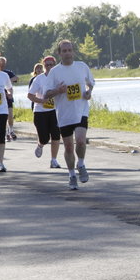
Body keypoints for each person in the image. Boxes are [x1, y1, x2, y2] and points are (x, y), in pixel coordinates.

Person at [44, 40, 94, 190]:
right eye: (64, 51)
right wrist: (58, 91)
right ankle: (72, 175)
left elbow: (90, 83)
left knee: (80, 141)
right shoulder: (55, 72)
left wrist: (88, 92)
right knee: (68, 147)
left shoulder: (82, 66)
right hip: (64, 114)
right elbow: (46, 94)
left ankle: (81, 164)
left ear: (73, 52)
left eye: (69, 50)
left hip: (81, 110)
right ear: (59, 53)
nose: (67, 53)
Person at [27, 57, 61, 169]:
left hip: (54, 111)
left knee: (56, 136)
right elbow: (30, 95)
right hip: (40, 111)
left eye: (52, 65)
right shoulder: (38, 79)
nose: (50, 67)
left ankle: (54, 160)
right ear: (44, 66)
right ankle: (40, 144)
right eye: (47, 65)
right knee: (44, 138)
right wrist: (41, 100)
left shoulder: (58, 78)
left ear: (55, 65)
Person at [0, 56, 19, 141]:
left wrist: (7, 81)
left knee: (10, 115)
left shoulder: (7, 73)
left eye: (4, 63)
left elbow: (16, 78)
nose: (2, 64)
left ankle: (11, 131)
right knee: (2, 117)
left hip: (8, 97)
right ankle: (5, 133)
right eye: (1, 62)